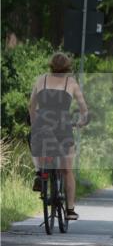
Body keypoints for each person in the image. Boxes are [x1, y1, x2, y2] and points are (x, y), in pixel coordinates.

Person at [28, 52, 88, 220]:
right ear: (68, 67)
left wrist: (34, 124)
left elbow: (32, 106)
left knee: (34, 142)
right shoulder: (71, 82)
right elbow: (84, 109)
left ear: (51, 65)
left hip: (42, 124)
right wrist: (82, 121)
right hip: (63, 126)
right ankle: (69, 210)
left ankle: (39, 172)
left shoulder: (41, 80)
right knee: (68, 170)